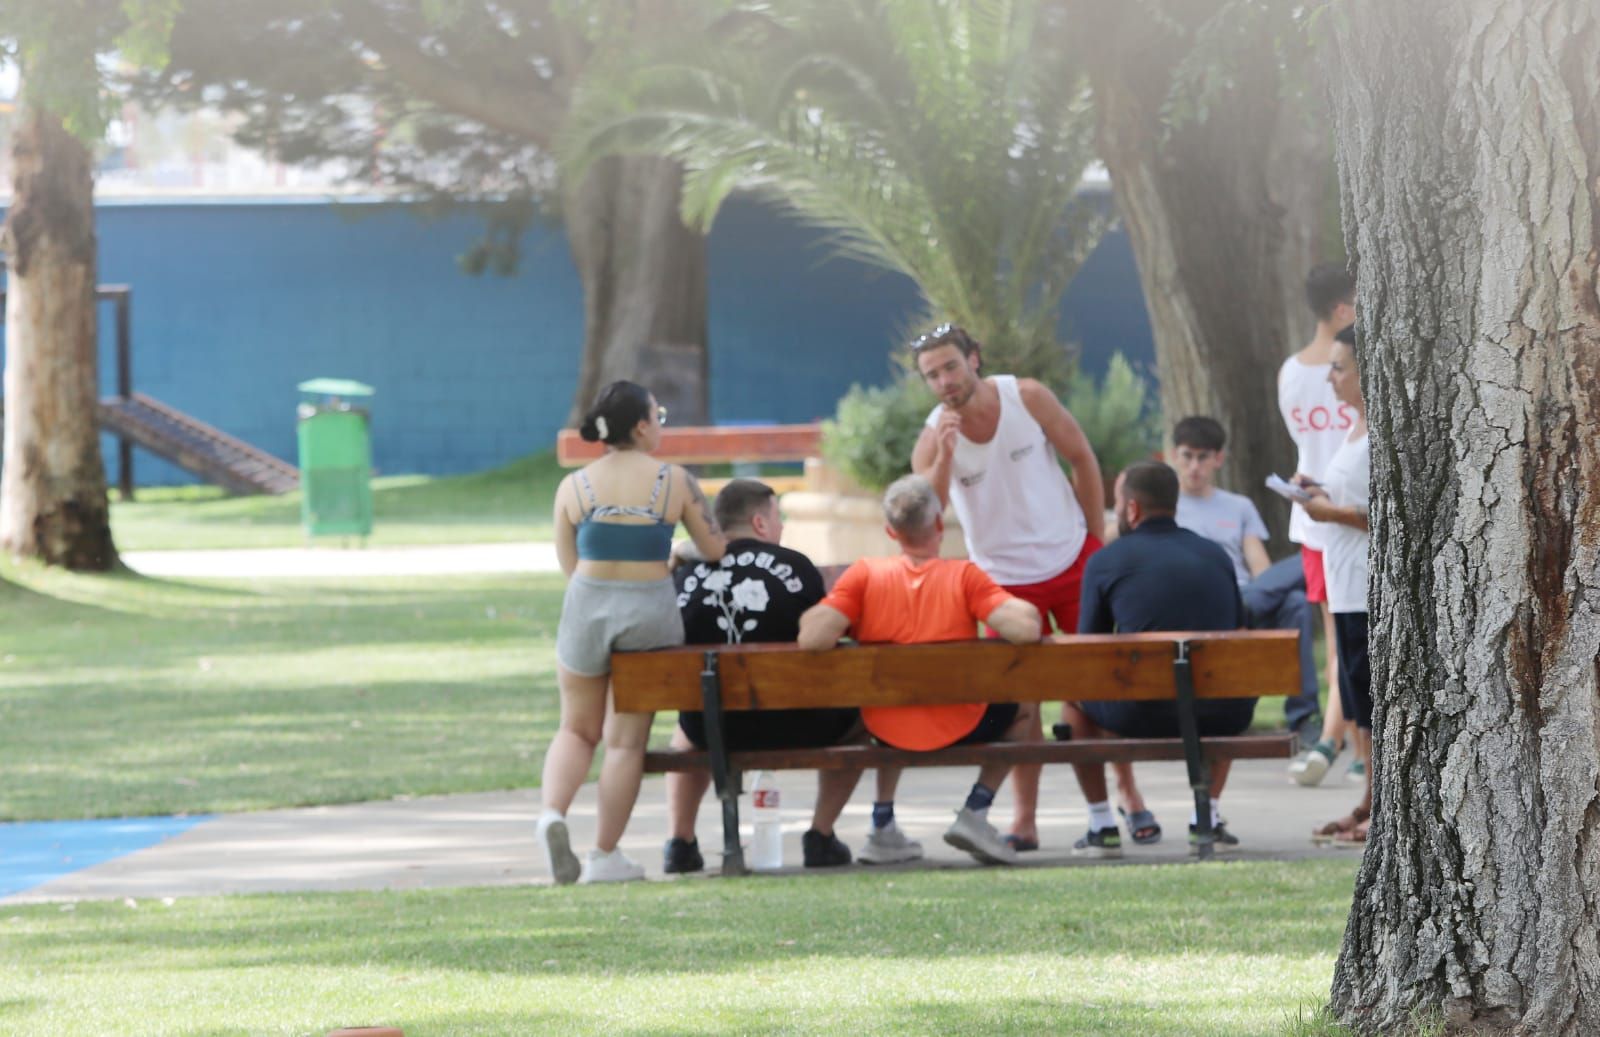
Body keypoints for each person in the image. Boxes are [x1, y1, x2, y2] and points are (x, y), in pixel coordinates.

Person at [909, 324, 1104, 852]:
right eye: (932, 375)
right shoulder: (932, 437)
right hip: (1002, 581)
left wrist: (1095, 542)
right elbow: (926, 513)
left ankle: (1114, 810)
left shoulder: (1027, 396)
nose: (945, 381)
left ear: (974, 359)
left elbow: (1082, 458)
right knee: (1021, 703)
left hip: (1070, 557)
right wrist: (946, 455)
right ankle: (1024, 821)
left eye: (951, 366)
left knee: (1092, 687)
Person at [797, 474, 1044, 866]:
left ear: (890, 532)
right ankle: (976, 811)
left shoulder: (863, 575)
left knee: (876, 704)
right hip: (962, 723)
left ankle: (882, 824)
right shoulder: (964, 577)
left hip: (885, 727)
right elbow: (1026, 628)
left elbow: (811, 637)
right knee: (1027, 703)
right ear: (939, 524)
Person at [538, 381, 726, 885]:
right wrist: (677, 551)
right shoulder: (675, 481)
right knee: (624, 744)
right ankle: (604, 856)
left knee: (576, 730)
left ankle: (552, 815)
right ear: (641, 426)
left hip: (588, 606)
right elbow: (713, 548)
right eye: (657, 415)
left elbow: (569, 565)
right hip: (649, 615)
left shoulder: (573, 487)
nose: (661, 422)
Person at [662, 478, 868, 873]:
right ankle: (821, 835)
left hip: (715, 730)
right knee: (860, 722)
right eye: (778, 518)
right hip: (798, 724)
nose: (782, 527)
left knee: (686, 731)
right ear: (759, 523)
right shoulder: (797, 567)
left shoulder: (685, 575)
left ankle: (681, 841)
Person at [1065, 461, 1258, 857]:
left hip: (1138, 714)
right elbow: (1236, 629)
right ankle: (1207, 815)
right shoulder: (1216, 555)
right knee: (1235, 683)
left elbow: (1088, 651)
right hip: (1219, 711)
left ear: (1131, 509)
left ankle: (1102, 823)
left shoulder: (1106, 561)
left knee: (1072, 695)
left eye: (1117, 501)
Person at [1171, 416, 1320, 732]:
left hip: (1244, 600)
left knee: (1295, 602)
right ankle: (1318, 558)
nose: (1194, 466)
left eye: (1203, 457)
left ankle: (1304, 717)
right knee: (1312, 560)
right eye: (1187, 456)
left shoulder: (1238, 506)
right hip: (1195, 606)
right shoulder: (1163, 504)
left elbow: (1261, 569)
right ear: (1175, 456)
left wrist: (1262, 592)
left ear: (1218, 459)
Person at [1279, 263, 1362, 784]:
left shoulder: (1290, 371)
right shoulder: (1355, 364)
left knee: (1340, 640)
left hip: (1312, 520)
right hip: (1341, 513)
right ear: (1341, 310)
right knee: (1350, 640)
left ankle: (1344, 744)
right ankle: (1343, 745)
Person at [1303, 324, 1372, 845]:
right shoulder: (1352, 431)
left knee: (1371, 703)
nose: (1330, 377)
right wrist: (1317, 494)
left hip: (1367, 585)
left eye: (1339, 366)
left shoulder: (1379, 436)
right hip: (1343, 583)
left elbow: (1384, 514)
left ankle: (1382, 807)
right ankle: (1369, 800)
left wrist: (1328, 512)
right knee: (1354, 703)